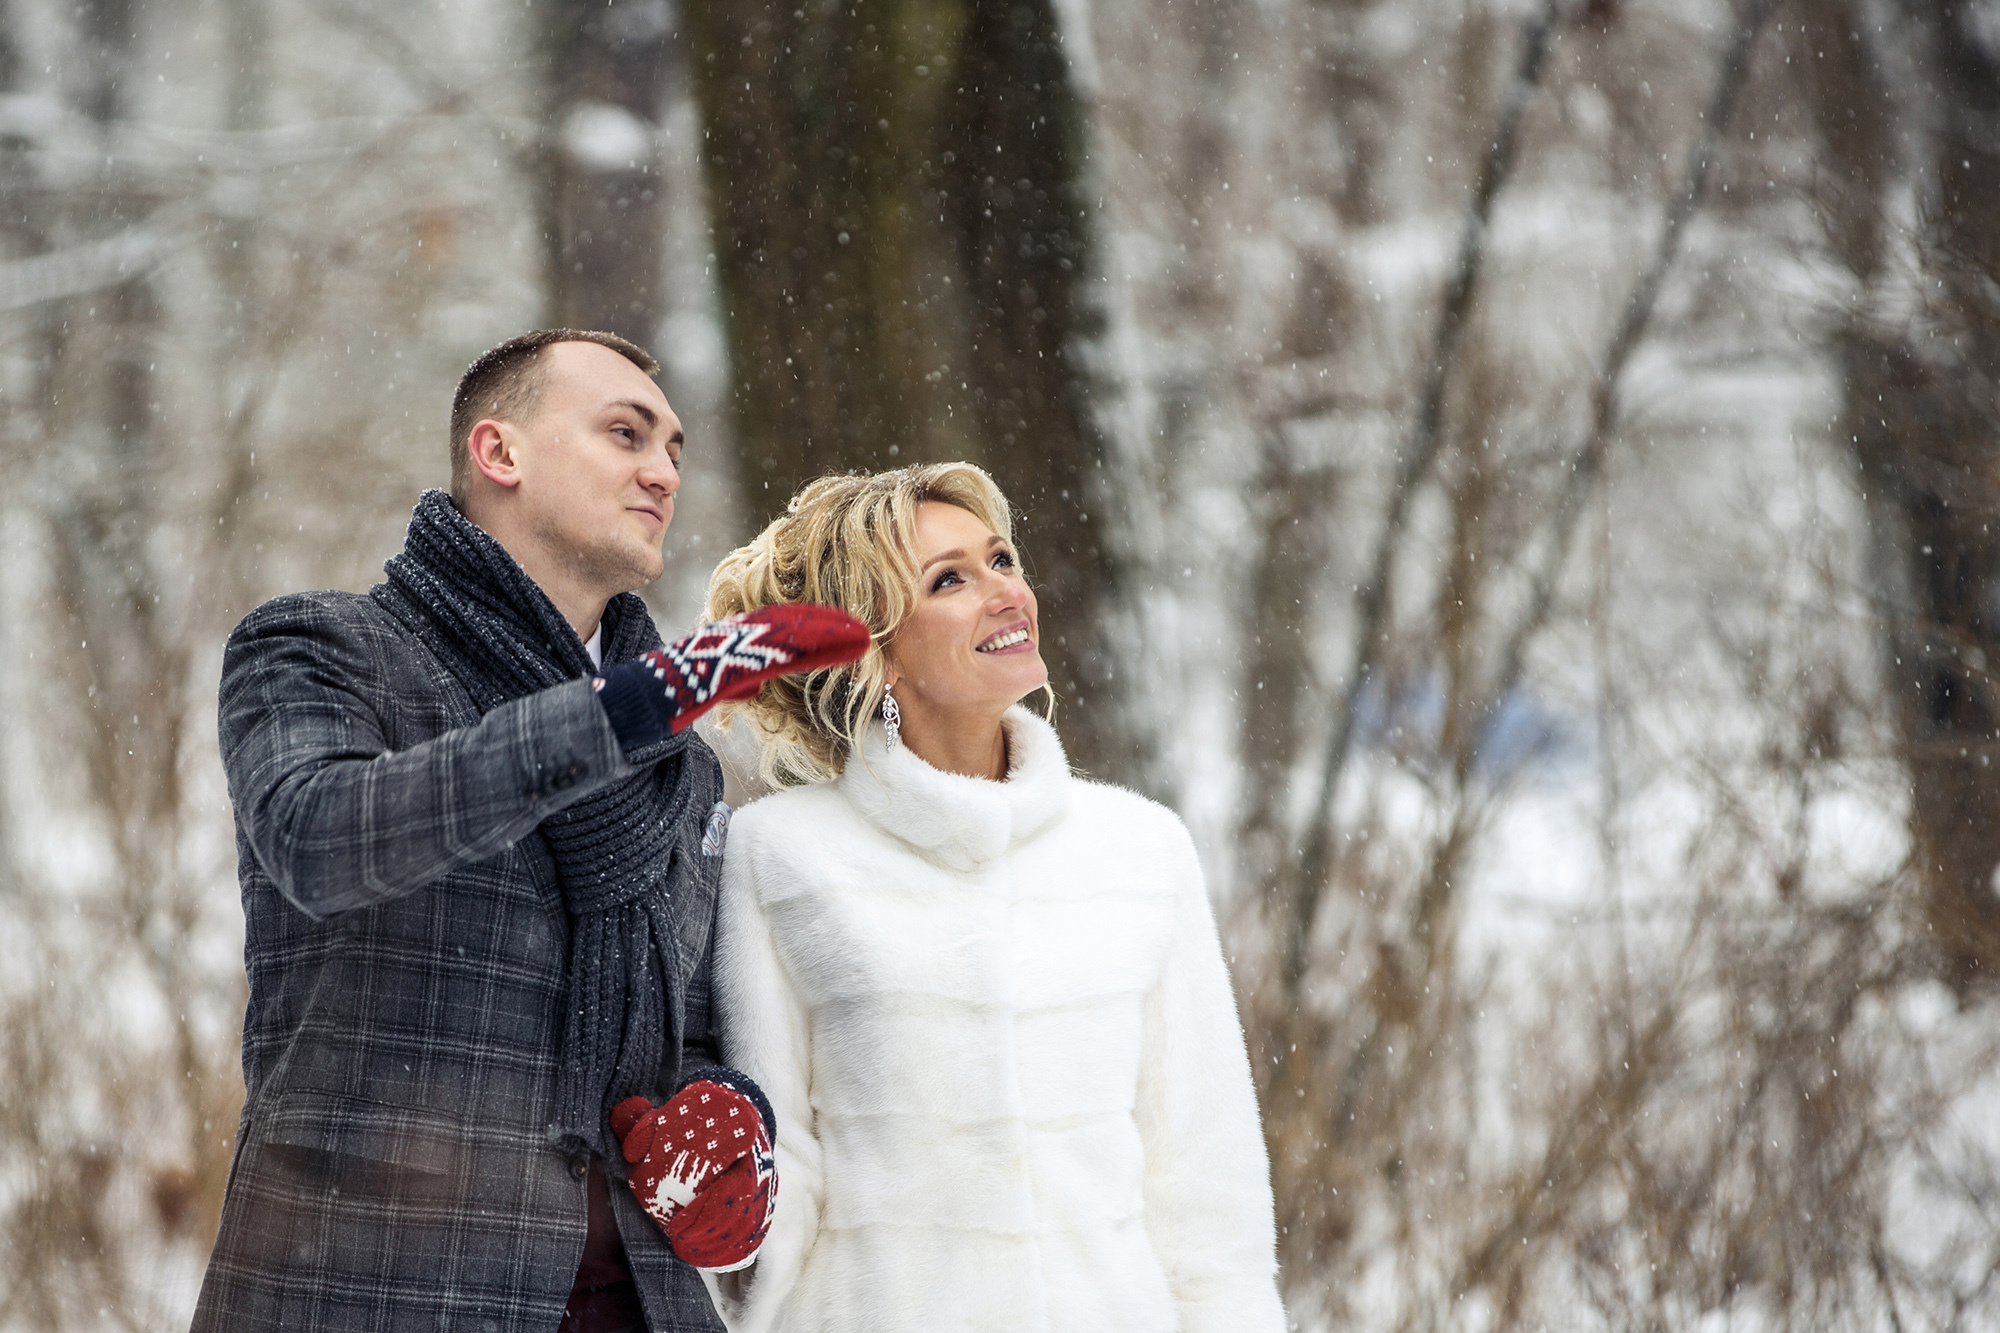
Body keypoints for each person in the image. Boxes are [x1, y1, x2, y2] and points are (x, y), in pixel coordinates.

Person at [191, 330, 866, 1333]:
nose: (662, 471)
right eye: (625, 433)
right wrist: (612, 714)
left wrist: (723, 1133)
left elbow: (677, 1031)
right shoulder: (322, 648)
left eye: (675, 448)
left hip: (635, 1304)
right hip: (371, 1293)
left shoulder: (676, 762)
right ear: (499, 454)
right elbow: (321, 842)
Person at [697, 463, 1288, 1332]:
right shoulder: (779, 854)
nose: (1005, 592)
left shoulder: (1142, 850)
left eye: (1003, 559)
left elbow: (1206, 1188)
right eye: (951, 580)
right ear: (880, 650)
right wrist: (724, 1220)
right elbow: (782, 1170)